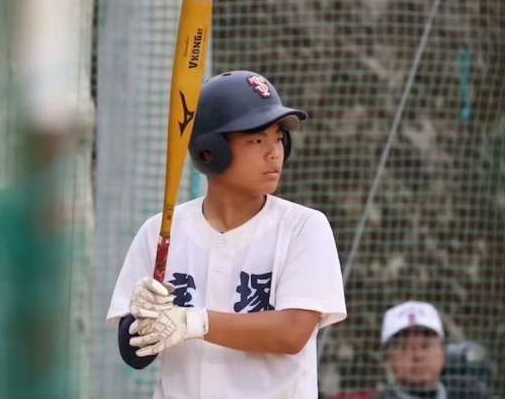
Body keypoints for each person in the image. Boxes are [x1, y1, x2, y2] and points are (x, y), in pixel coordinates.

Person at [107, 70, 348, 399]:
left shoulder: (304, 227)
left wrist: (193, 321)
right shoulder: (160, 231)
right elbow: (135, 355)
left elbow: (292, 333)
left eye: (279, 138)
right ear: (210, 151)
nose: (274, 152)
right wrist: (141, 320)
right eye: (257, 140)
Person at [378, 301, 492, 399]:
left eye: (425, 346)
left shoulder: (469, 393)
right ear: (389, 359)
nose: (418, 356)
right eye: (405, 348)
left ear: (443, 351)